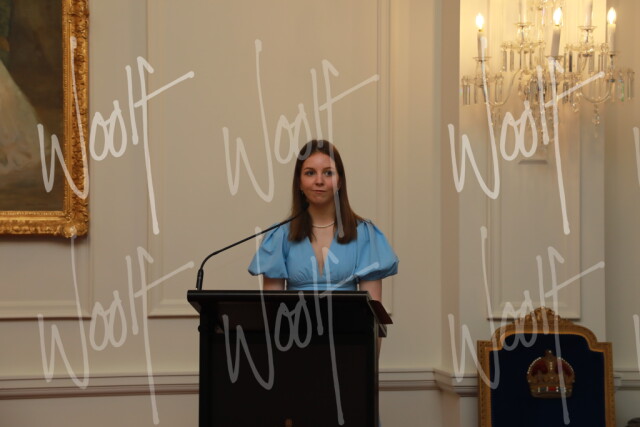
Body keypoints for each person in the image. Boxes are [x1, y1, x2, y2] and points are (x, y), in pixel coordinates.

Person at [248, 139, 398, 301]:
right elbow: (272, 310)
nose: (319, 181)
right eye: (310, 173)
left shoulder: (364, 234)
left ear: (340, 182)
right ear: (299, 182)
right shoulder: (279, 237)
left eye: (328, 173)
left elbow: (372, 311)